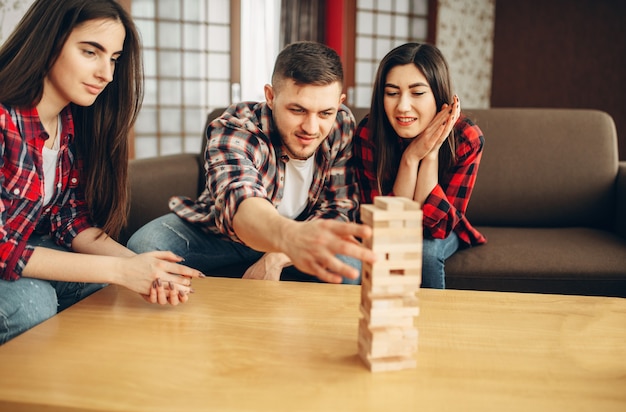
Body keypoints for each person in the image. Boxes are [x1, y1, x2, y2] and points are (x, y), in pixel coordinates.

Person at [0, 0, 203, 345]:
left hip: (24, 247)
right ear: (48, 41)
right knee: (33, 304)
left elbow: (70, 222)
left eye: (113, 59)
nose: (106, 75)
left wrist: (145, 268)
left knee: (97, 283)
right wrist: (122, 270)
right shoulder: (5, 120)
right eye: (90, 52)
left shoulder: (68, 124)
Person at [128, 41, 375, 285]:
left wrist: (278, 256)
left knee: (351, 267)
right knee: (145, 246)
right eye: (298, 110)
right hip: (227, 234)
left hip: (303, 232)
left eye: (325, 113)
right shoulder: (237, 126)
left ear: (339, 102)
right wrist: (288, 238)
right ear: (270, 96)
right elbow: (241, 199)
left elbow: (339, 207)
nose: (311, 128)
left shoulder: (341, 124)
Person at [352, 42, 486, 289]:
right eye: (392, 93)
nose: (403, 106)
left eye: (417, 93)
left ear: (439, 95)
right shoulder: (368, 133)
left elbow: (436, 228)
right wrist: (410, 158)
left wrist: (431, 153)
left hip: (444, 227)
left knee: (424, 251)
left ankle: (436, 327)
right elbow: (390, 227)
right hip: (391, 228)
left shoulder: (467, 138)